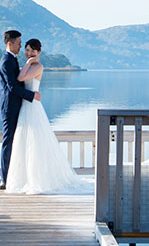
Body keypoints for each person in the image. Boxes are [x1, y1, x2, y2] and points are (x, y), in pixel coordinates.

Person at [5, 38, 89, 195]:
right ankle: (24, 178)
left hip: (32, 106)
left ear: (38, 53)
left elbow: (20, 79)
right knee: (24, 141)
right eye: (27, 50)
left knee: (35, 141)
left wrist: (30, 62)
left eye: (32, 51)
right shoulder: (28, 65)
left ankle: (38, 178)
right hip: (25, 105)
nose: (29, 53)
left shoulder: (38, 67)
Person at [0, 30, 39, 189]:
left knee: (18, 142)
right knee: (8, 142)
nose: (21, 46)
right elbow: (12, 86)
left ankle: (17, 176)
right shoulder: (6, 60)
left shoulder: (12, 59)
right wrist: (32, 95)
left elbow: (10, 83)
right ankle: (4, 179)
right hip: (9, 108)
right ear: (10, 43)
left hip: (17, 106)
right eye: (19, 43)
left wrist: (1, 90)